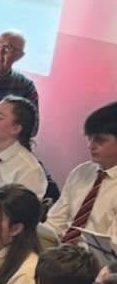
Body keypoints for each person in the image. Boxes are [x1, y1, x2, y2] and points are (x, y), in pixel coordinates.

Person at [49, 101, 117, 246]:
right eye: (89, 138)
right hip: (59, 253)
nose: (90, 146)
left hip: (95, 263)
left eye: (100, 140)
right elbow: (55, 221)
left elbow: (112, 247)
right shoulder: (81, 172)